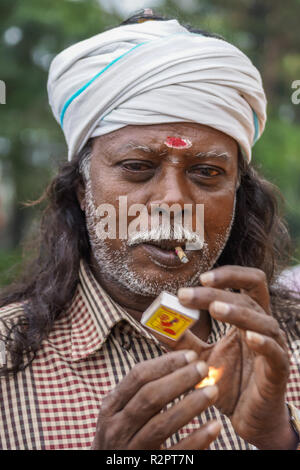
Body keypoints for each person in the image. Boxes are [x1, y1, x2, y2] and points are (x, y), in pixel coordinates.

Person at [0, 10, 299, 450]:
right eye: (138, 167)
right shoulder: (8, 363)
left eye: (206, 172)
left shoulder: (288, 344)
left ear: (238, 194)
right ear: (83, 190)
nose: (173, 202)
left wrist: (279, 438)